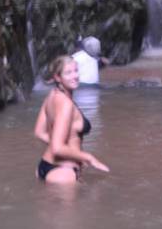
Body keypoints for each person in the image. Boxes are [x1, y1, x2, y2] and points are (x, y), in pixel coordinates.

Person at [34, 55, 110, 183]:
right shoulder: (66, 104)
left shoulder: (51, 96)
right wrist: (88, 157)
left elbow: (39, 132)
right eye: (68, 73)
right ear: (57, 77)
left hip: (43, 165)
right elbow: (57, 148)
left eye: (76, 70)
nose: (75, 76)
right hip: (63, 172)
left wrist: (71, 152)